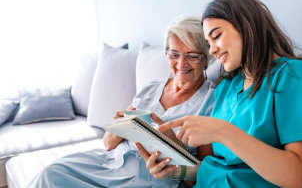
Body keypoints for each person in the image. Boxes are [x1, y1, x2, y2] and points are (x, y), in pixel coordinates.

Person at [138, 0, 302, 188]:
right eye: (208, 43)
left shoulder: (293, 76)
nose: (211, 50)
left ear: (246, 26)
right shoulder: (227, 88)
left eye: (216, 36)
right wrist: (177, 170)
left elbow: (297, 176)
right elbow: (219, 168)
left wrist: (223, 132)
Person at [27, 15, 215, 188]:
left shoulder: (211, 101)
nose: (181, 64)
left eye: (191, 56)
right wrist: (119, 126)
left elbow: (205, 178)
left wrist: (177, 149)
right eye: (174, 54)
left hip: (150, 179)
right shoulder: (151, 87)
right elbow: (108, 144)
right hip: (111, 163)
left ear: (206, 58)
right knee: (50, 173)